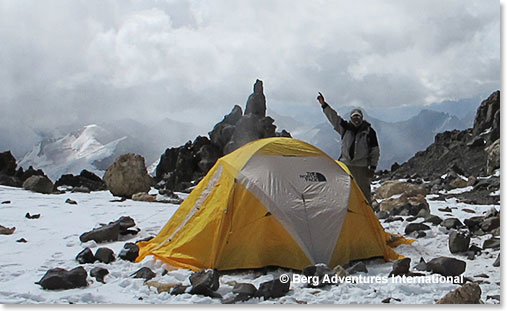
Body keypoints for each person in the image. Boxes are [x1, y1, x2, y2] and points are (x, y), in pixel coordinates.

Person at [316, 92, 379, 204]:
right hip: (346, 165)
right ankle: (348, 213)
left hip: (361, 167)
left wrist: (372, 168)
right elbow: (333, 118)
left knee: (364, 192)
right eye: (354, 117)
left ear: (361, 118)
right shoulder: (345, 128)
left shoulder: (369, 131)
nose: (356, 119)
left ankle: (367, 215)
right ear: (351, 118)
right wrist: (324, 105)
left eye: (358, 117)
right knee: (345, 191)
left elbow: (375, 151)